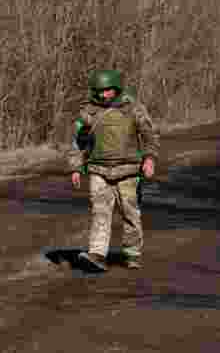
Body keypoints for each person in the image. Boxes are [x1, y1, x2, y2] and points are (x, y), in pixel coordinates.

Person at [68, 69, 159, 271]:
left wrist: (150, 159)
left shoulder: (133, 108)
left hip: (128, 171)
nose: (103, 95)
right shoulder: (88, 111)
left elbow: (150, 136)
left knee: (130, 213)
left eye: (107, 90)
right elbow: (79, 142)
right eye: (99, 91)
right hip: (98, 169)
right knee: (100, 212)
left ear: (116, 88)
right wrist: (75, 168)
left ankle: (132, 252)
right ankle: (97, 254)